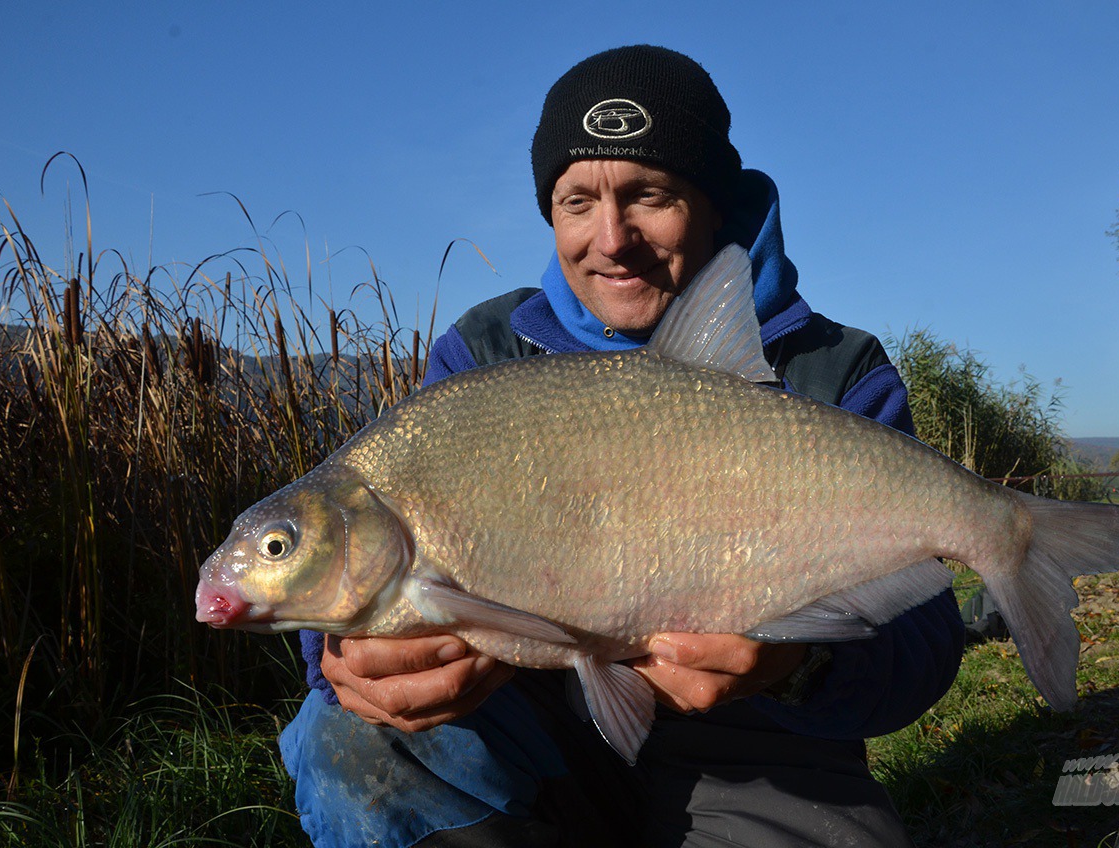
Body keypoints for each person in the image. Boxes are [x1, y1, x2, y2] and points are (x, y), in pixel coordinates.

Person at [280, 45, 965, 848]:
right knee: (350, 749)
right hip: (530, 726)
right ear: (551, 214)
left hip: (765, 750)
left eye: (649, 194)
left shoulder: (834, 371)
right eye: (577, 202)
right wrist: (342, 662)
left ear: (712, 202)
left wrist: (801, 667)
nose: (612, 239)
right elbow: (365, 532)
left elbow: (924, 643)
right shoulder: (484, 353)